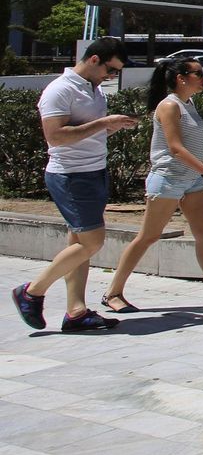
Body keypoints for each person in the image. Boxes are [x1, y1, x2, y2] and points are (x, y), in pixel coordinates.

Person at [100, 59, 203, 313]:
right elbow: (175, 148)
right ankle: (113, 293)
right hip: (168, 178)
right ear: (181, 78)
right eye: (199, 73)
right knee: (148, 236)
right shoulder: (169, 105)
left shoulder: (189, 104)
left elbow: (195, 146)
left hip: (191, 180)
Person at [11, 37, 139, 331]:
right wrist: (103, 123)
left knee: (80, 244)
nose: (111, 76)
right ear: (94, 60)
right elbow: (55, 136)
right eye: (110, 69)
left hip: (94, 171)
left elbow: (86, 133)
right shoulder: (60, 89)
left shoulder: (94, 89)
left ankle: (76, 311)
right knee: (92, 242)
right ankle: (31, 292)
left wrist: (111, 127)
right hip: (70, 175)